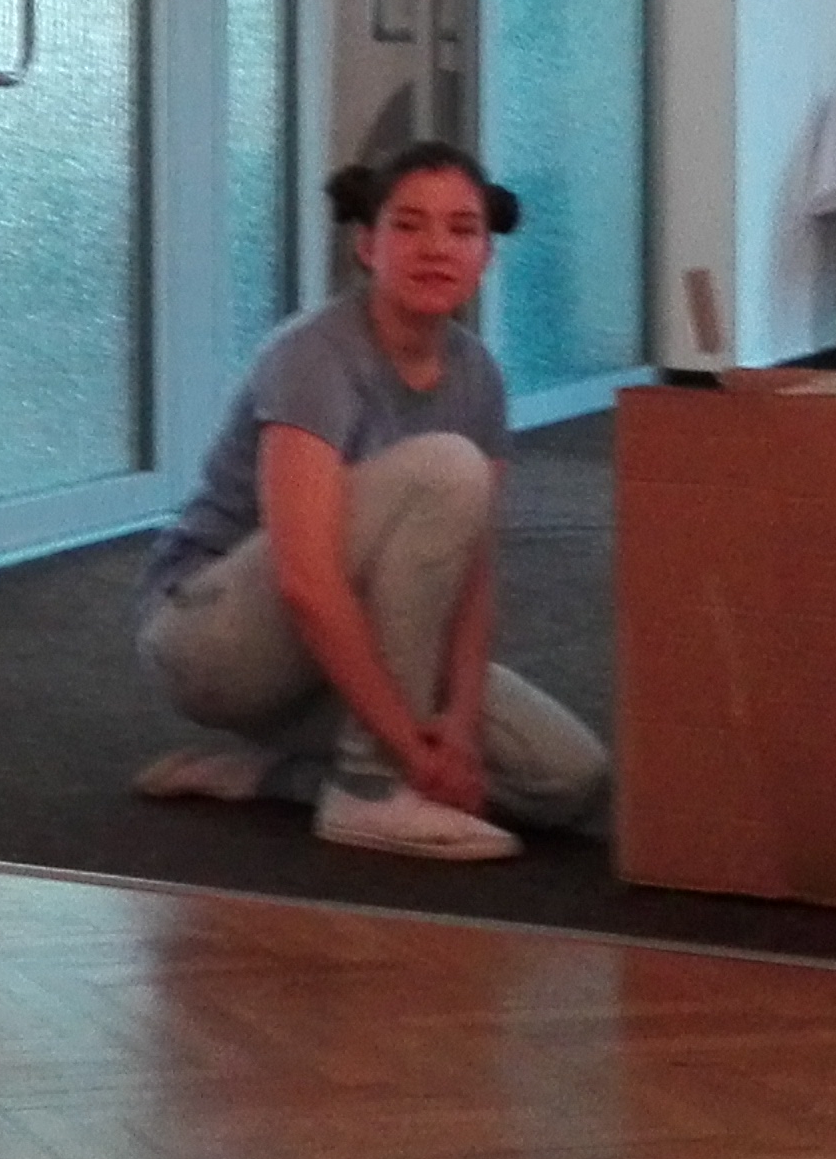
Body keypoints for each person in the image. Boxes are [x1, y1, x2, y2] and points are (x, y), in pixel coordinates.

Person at [130, 143, 611, 861]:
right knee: (447, 469)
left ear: (486, 255)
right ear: (367, 245)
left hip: (349, 639)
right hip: (214, 636)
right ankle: (367, 789)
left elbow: (474, 575)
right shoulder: (313, 356)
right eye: (409, 225)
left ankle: (282, 779)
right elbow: (306, 581)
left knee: (567, 778)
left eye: (462, 229)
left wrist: (457, 722)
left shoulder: (478, 375)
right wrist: (408, 754)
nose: (436, 248)